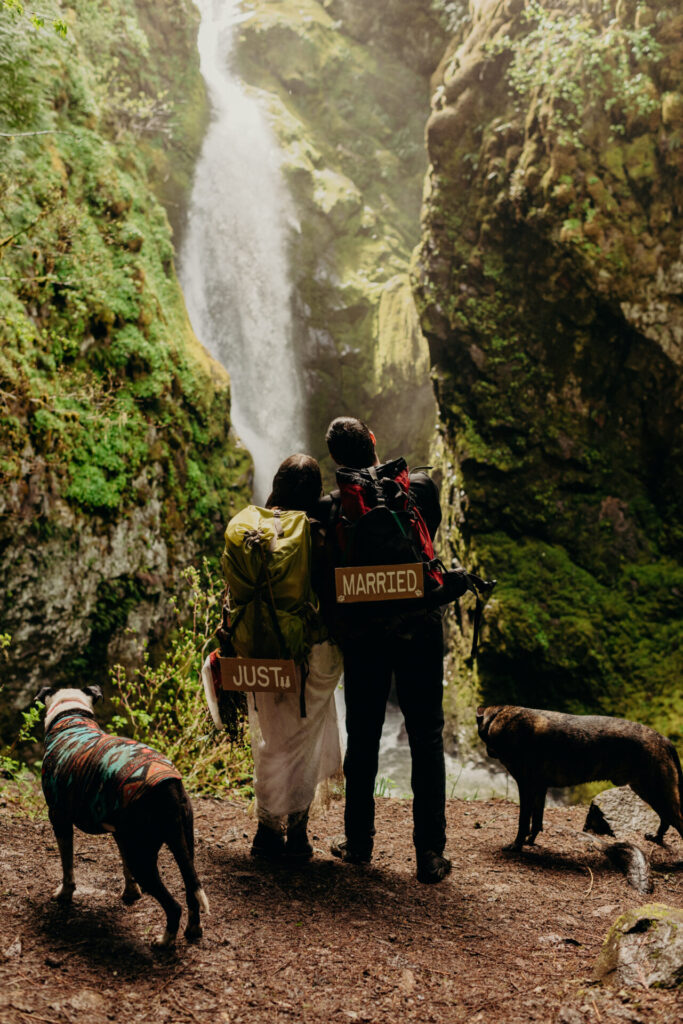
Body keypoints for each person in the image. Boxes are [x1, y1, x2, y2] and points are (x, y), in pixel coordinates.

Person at [318, 417, 450, 884]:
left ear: (335, 461)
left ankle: (358, 843)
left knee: (365, 734)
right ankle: (430, 854)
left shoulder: (332, 509)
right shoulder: (420, 488)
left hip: (365, 635)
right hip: (419, 626)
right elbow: (426, 536)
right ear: (374, 442)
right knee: (428, 737)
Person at [247, 454, 343, 862]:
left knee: (272, 740)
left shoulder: (252, 528)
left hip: (261, 648)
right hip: (312, 654)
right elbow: (334, 597)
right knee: (306, 739)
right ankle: (297, 835)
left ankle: (267, 831)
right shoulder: (320, 536)